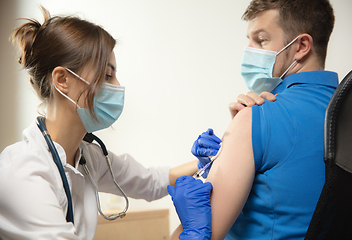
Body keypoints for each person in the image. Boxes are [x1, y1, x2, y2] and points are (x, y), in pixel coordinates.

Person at [0, 7, 214, 240]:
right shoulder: (23, 173)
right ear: (62, 80)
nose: (117, 85)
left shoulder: (87, 158)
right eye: (106, 75)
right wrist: (187, 235)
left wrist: (208, 161)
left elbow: (150, 181)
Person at [171, 0, 338, 239]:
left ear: (302, 45)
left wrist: (190, 227)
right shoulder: (348, 112)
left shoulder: (257, 116)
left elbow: (205, 233)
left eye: (261, 40)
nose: (249, 50)